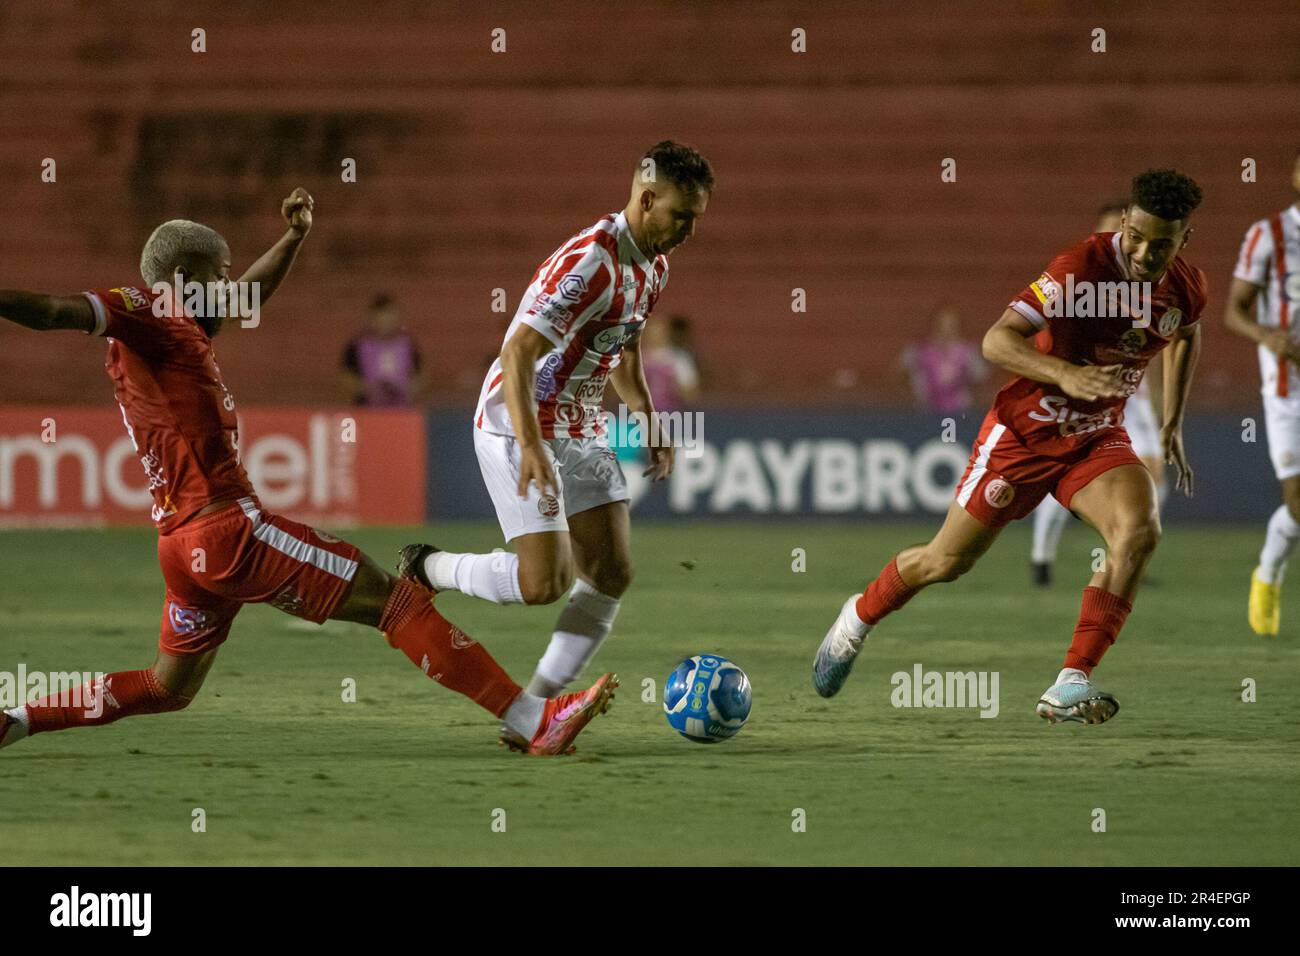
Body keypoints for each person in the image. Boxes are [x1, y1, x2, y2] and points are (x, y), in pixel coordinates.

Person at [0, 189, 615, 757]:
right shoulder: (146, 310)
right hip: (228, 531)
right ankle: (535, 720)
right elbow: (57, 310)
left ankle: (18, 719)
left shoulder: (174, 329)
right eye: (218, 274)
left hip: (182, 547)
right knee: (395, 603)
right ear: (183, 280)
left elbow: (250, 294)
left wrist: (292, 239)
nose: (229, 285)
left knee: (167, 688)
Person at [813, 169, 1206, 725]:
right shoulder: (1080, 268)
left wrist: (1172, 422)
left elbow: (1187, 332)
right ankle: (858, 616)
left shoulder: (1186, 288)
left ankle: (1070, 681)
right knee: (945, 562)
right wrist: (1064, 375)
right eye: (1136, 236)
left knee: (1139, 532)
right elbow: (997, 339)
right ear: (1124, 222)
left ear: (1184, 239)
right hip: (1022, 436)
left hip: (1094, 437)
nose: (1144, 253)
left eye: (1161, 243)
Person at [397, 141, 712, 717]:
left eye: (696, 218)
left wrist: (646, 415)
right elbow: (517, 352)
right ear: (647, 199)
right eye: (682, 216)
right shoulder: (590, 262)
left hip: (582, 424)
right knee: (545, 583)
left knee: (612, 571)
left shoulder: (654, 264)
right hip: (518, 422)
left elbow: (626, 341)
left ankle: (536, 711)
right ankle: (426, 567)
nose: (690, 230)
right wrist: (534, 446)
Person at [1030, 202, 1171, 585]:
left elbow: (1154, 348)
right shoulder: (1078, 276)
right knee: (1065, 477)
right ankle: (1041, 558)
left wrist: (1159, 408)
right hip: (1087, 394)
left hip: (1133, 400)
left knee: (1154, 473)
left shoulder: (1148, 285)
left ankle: (1127, 555)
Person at [1225, 150, 1300, 636]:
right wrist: (1267, 336)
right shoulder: (1268, 234)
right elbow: (1234, 310)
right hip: (1286, 388)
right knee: (1298, 502)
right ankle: (1269, 571)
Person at [341, 293, 427, 407]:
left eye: (390, 316)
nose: (387, 322)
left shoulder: (408, 343)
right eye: (382, 317)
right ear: (372, 318)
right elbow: (346, 374)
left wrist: (409, 389)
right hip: (368, 410)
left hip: (402, 410)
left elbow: (422, 371)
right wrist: (365, 389)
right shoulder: (358, 344)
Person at [900, 305, 987, 414]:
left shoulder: (968, 352)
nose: (946, 330)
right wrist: (913, 392)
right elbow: (898, 374)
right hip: (925, 412)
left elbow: (981, 380)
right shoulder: (918, 349)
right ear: (933, 325)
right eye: (941, 324)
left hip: (960, 412)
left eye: (951, 325)